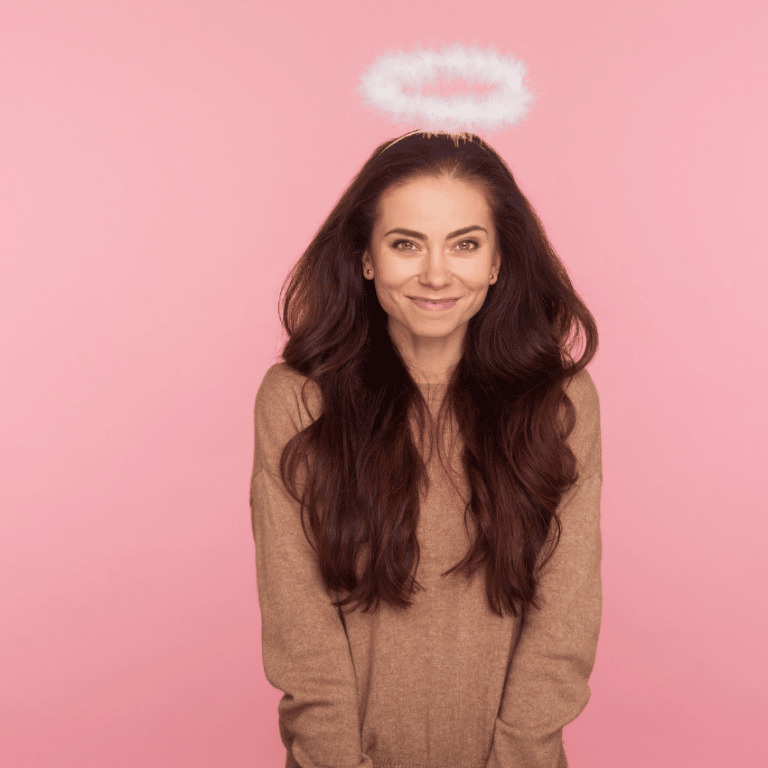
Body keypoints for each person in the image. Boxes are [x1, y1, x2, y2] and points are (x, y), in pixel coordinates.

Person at [249, 130, 602, 768]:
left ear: (497, 262)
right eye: (406, 244)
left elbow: (564, 623)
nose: (436, 273)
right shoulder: (298, 401)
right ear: (365, 258)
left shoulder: (560, 403)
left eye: (464, 244)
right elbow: (300, 632)